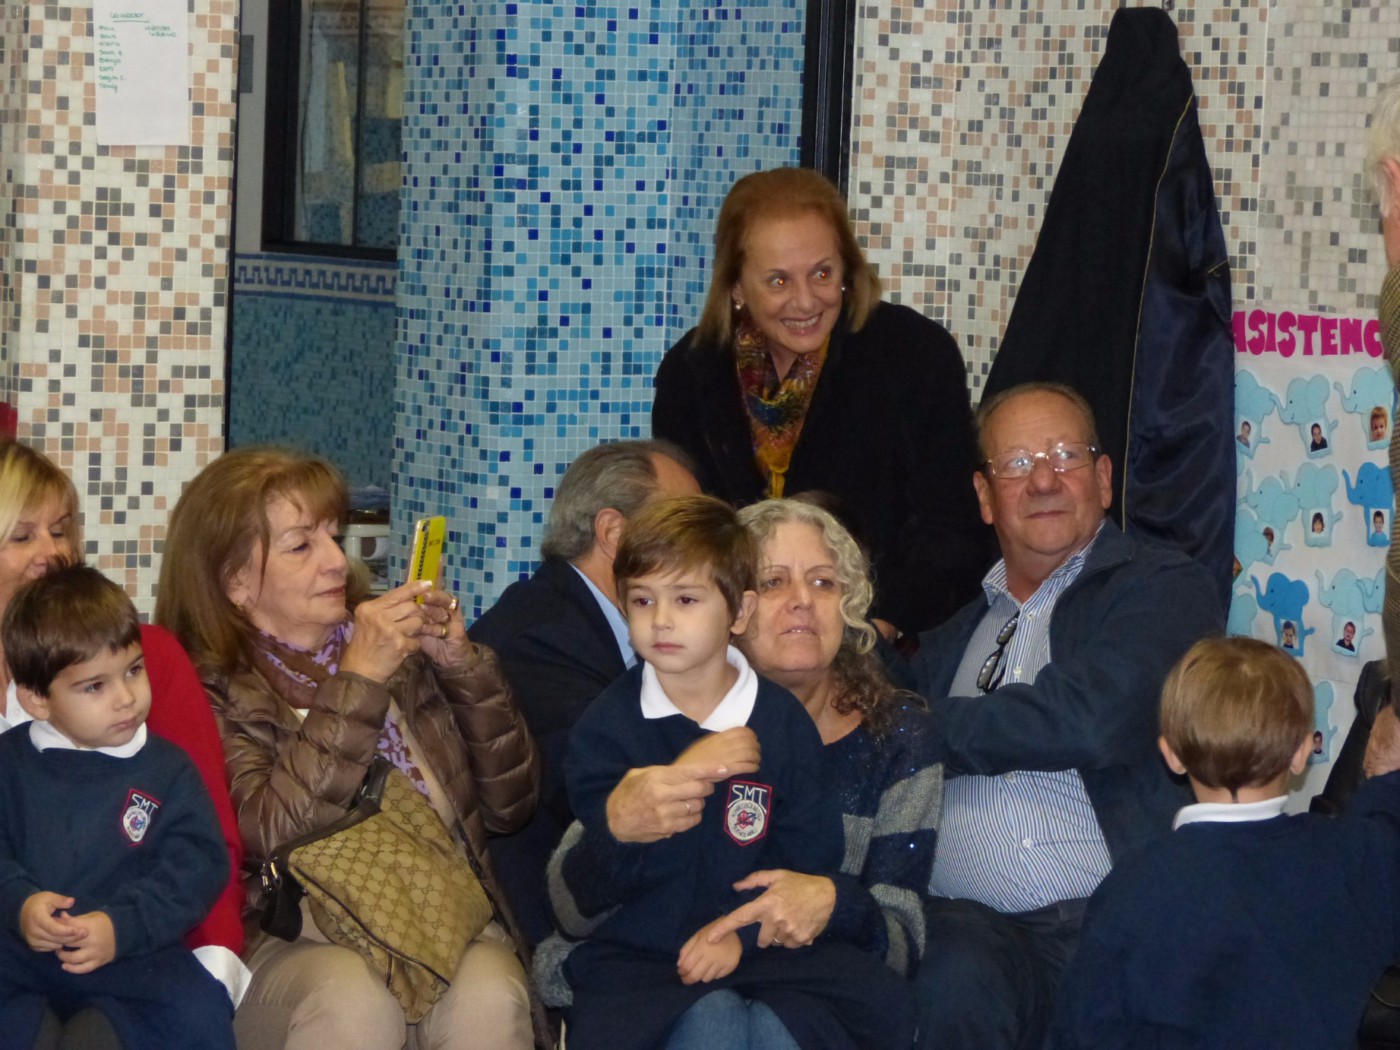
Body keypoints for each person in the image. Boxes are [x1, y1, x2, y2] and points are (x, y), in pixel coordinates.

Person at [154, 447, 543, 1050]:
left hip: (436, 913)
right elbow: (267, 831)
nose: (337, 561)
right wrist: (358, 681)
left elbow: (510, 807)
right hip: (292, 932)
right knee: (353, 1001)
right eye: (301, 546)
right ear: (234, 580)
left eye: (334, 537)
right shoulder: (205, 686)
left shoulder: (398, 648)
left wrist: (461, 667)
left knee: (490, 997)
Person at [909, 381, 1222, 1050]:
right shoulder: (944, 642)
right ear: (984, 496)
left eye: (1065, 455)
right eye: (1018, 463)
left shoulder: (1163, 588)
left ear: (1104, 479)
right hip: (970, 941)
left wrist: (922, 727)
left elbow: (1091, 719)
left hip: (1107, 928)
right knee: (945, 973)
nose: (1045, 479)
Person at [550, 495, 915, 1050]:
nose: (661, 620)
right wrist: (647, 804)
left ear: (739, 613)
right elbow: (589, 878)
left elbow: (809, 855)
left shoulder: (781, 723)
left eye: (686, 599)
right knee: (705, 1020)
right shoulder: (608, 726)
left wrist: (739, 935)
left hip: (763, 947)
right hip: (648, 953)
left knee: (851, 1008)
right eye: (642, 600)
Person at [652, 166, 991, 637]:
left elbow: (950, 527)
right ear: (736, 287)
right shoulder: (690, 372)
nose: (806, 301)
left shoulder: (913, 355)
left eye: (822, 273)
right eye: (778, 281)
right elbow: (685, 531)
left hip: (881, 632)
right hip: (738, 632)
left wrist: (877, 630)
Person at [0, 440, 248, 1032]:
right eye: (23, 536)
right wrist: (18, 903)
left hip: (138, 951)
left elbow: (206, 849)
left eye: (60, 530)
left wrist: (213, 967)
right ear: (36, 698)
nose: (50, 553)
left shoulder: (147, 657)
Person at [1050, 637, 1400, 1049]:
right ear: (1302, 752)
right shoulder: (1353, 860)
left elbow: (1083, 1030)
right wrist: (1387, 777)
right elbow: (1386, 831)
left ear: (1172, 755)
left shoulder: (1133, 887)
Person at [471, 438, 700, 943]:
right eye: (684, 525)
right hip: (562, 924)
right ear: (614, 534)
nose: (703, 549)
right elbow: (608, 785)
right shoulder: (537, 636)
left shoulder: (594, 622)